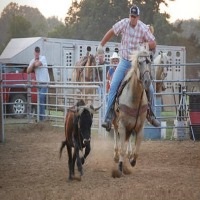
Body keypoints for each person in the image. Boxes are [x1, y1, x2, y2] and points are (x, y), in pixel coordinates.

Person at [97, 5, 161, 131]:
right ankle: (108, 116)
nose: (133, 19)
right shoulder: (124, 23)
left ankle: (151, 114)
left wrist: (144, 44)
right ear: (129, 16)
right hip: (125, 61)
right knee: (114, 86)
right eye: (131, 16)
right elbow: (111, 32)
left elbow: (154, 43)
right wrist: (101, 44)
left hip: (138, 63)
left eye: (135, 17)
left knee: (150, 88)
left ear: (138, 17)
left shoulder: (142, 28)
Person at [27, 46, 50, 121]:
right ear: (34, 52)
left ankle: (41, 118)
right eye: (36, 51)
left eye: (38, 51)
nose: (37, 53)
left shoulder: (43, 58)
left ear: (39, 52)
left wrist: (33, 65)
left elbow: (37, 64)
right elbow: (28, 71)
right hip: (39, 83)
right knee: (40, 99)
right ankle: (41, 117)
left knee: (41, 98)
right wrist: (34, 64)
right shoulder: (33, 60)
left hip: (44, 82)